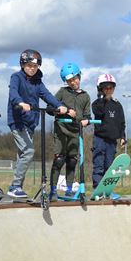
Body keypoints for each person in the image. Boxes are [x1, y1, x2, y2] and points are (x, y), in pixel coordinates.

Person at [6, 49, 67, 200]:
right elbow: (13, 93)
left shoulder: (38, 82)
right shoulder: (16, 77)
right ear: (22, 65)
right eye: (29, 66)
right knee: (28, 151)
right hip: (18, 122)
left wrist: (59, 105)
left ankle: (16, 190)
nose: (32, 69)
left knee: (22, 155)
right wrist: (20, 103)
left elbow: (47, 95)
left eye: (35, 66)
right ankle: (15, 186)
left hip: (31, 123)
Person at [50, 63, 91, 201]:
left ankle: (68, 190)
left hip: (75, 131)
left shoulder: (85, 96)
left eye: (75, 79)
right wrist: (65, 110)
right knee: (59, 159)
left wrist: (86, 121)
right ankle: (53, 190)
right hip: (61, 129)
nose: (73, 82)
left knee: (72, 161)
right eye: (69, 81)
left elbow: (87, 115)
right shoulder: (62, 92)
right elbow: (50, 107)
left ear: (79, 77)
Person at [91, 73, 126, 197]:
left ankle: (108, 190)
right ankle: (98, 190)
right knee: (99, 164)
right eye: (105, 88)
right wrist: (102, 98)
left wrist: (122, 137)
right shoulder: (96, 104)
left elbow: (122, 122)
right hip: (100, 139)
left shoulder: (117, 105)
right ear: (100, 89)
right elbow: (99, 112)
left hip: (112, 141)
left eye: (111, 88)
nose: (109, 90)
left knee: (110, 166)